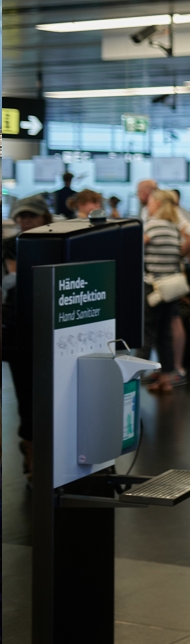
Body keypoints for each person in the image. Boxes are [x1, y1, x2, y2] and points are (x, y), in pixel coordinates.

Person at [3, 195, 54, 475]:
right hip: (19, 327)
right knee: (26, 393)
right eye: (21, 216)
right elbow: (11, 281)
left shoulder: (60, 242)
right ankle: (31, 449)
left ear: (44, 217)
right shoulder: (11, 245)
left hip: (53, 325)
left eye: (31, 216)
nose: (25, 221)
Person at [140, 190, 187, 392]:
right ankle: (166, 380)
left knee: (146, 334)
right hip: (171, 289)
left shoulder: (151, 225)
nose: (147, 206)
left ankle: (132, 377)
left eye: (149, 202)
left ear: (157, 203)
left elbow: (137, 247)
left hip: (153, 288)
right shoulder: (173, 228)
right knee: (164, 334)